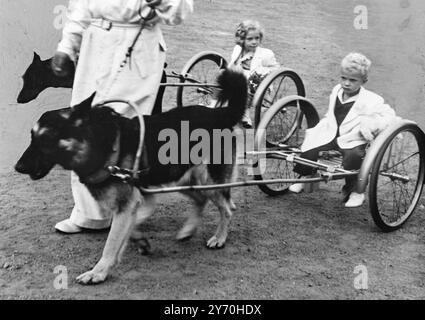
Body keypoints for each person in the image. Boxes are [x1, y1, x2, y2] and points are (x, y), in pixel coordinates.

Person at [51, 0, 194, 233]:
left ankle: (129, 204)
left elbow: (181, 11)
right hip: (95, 45)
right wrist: (67, 46)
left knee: (120, 129)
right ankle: (90, 214)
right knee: (82, 123)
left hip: (137, 48)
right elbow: (80, 6)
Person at [288, 52, 397, 208]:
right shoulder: (337, 91)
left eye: (353, 80)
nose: (346, 83)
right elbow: (332, 114)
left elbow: (388, 115)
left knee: (354, 157)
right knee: (311, 146)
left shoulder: (371, 99)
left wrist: (371, 124)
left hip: (353, 137)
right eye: (343, 78)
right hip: (332, 133)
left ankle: (356, 191)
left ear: (363, 81)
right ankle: (305, 175)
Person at [228, 20, 280, 128]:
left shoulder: (266, 54)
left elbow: (275, 69)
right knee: (225, 78)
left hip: (258, 82)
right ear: (241, 39)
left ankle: (245, 115)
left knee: (245, 85)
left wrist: (263, 72)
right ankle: (215, 105)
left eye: (257, 38)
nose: (254, 42)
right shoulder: (238, 49)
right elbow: (233, 63)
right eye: (250, 39)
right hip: (240, 77)